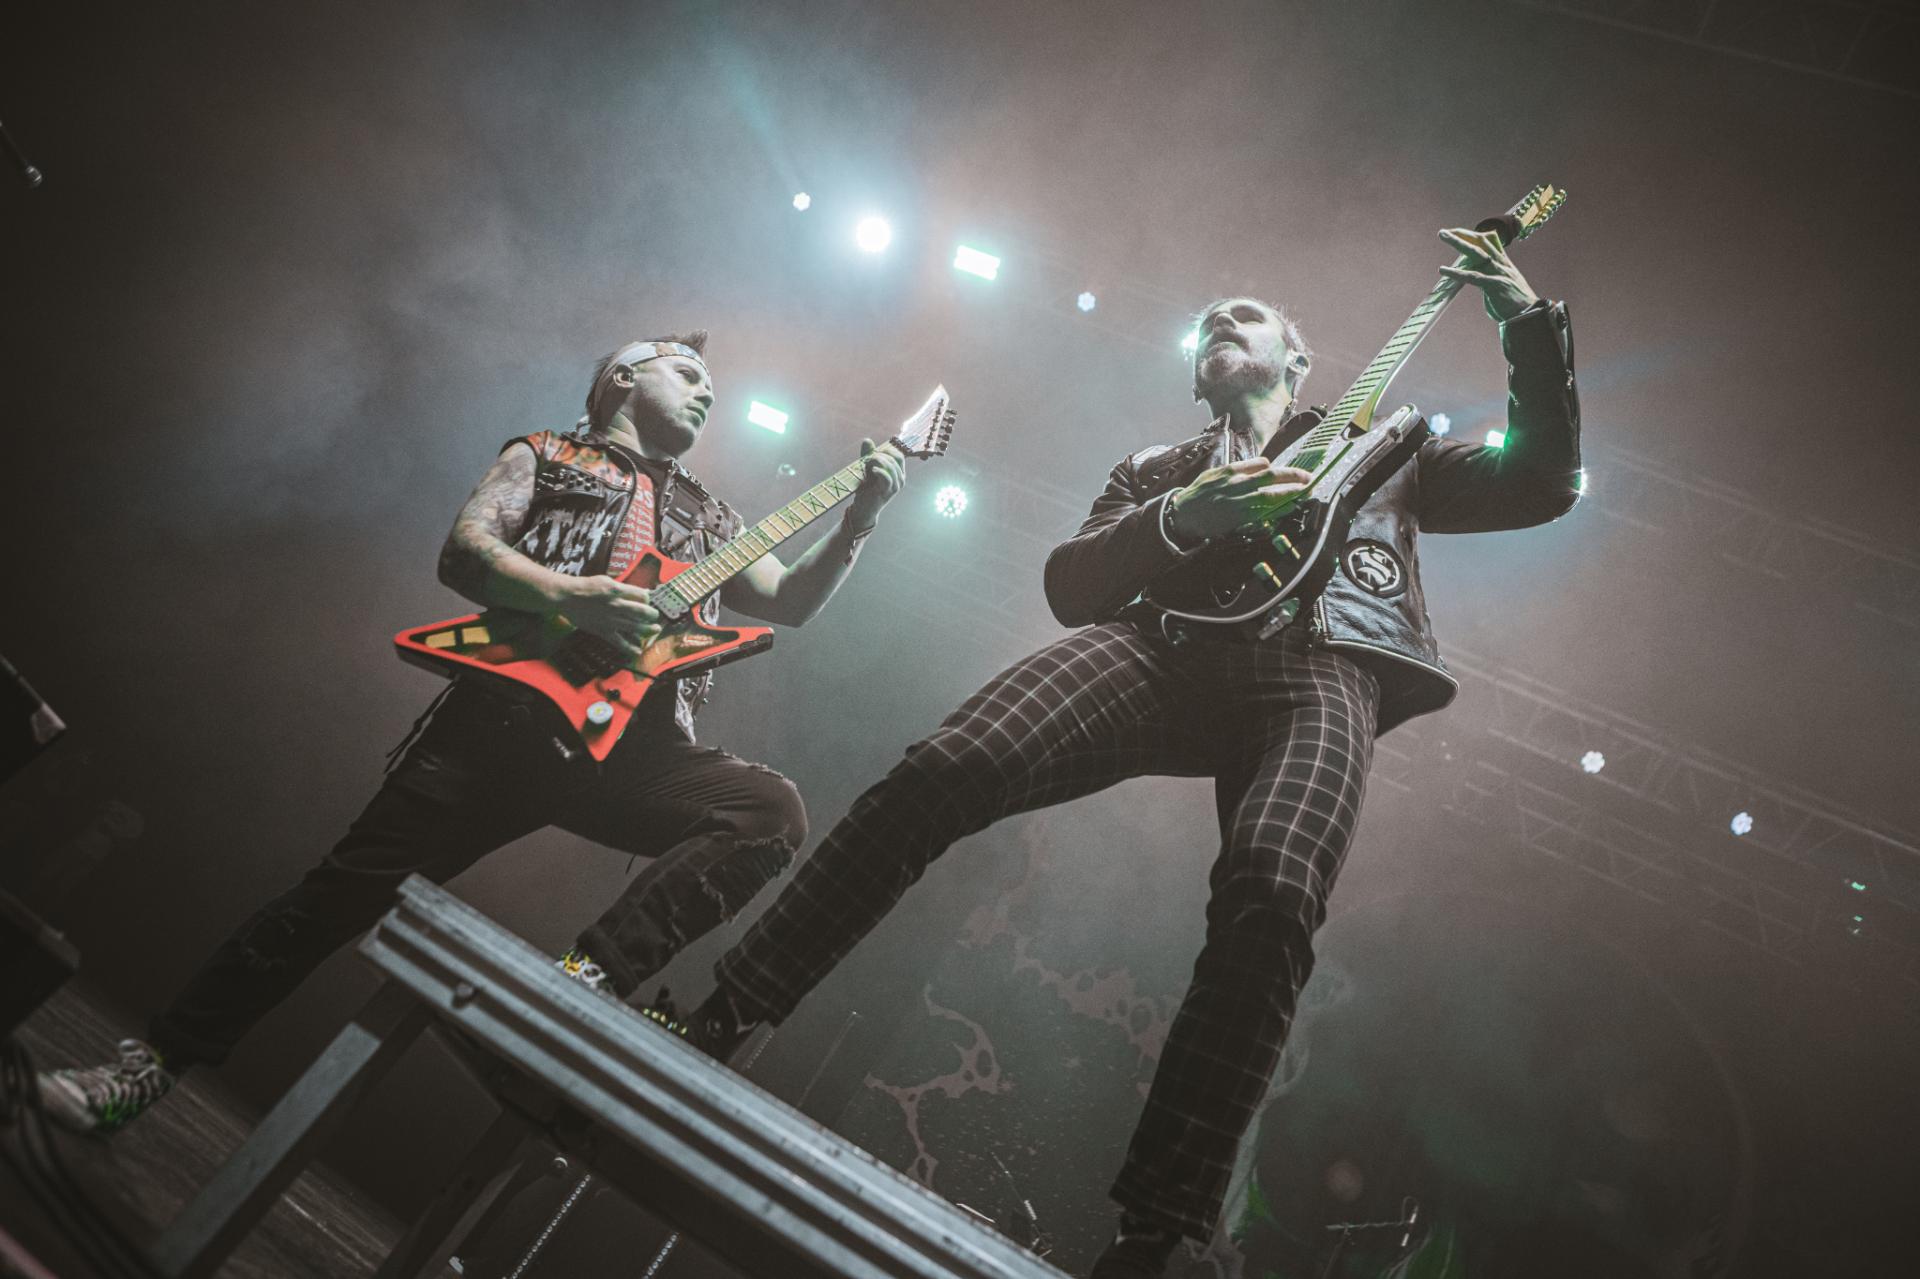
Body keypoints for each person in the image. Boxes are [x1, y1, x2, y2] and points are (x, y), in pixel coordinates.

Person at [670, 229, 1581, 1278]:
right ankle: (731, 1008)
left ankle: (1161, 1229)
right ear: (1196, 378)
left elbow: (1543, 481)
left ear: (1297, 361)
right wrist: (1178, 517)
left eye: (1247, 317)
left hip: (1318, 668)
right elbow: (1072, 586)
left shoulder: (1388, 452)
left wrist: (1523, 321)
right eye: (1208, 324)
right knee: (947, 765)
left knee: (1274, 891)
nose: (1220, 323)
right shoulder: (1153, 470)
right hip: (1162, 650)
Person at [39, 330, 909, 1134]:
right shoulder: (545, 453)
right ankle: (153, 1062)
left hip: (633, 747)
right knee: (335, 896)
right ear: (622, 377)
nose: (706, 392)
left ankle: (585, 980)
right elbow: (465, 551)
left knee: (770, 810)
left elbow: (791, 599)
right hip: (505, 719)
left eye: (712, 386)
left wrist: (860, 516)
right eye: (687, 373)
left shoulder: (716, 520)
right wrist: (572, 597)